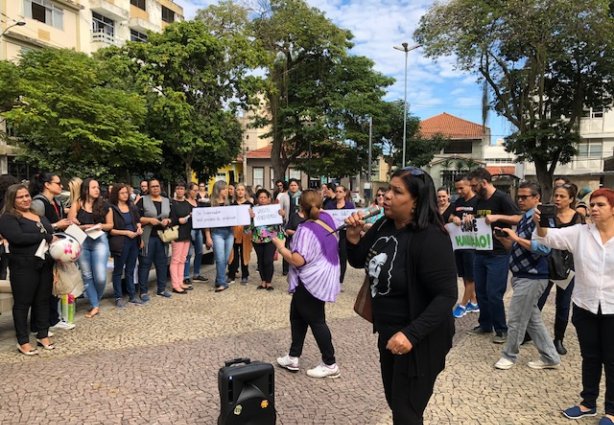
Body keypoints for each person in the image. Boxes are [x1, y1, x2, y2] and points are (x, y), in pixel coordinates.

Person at [345, 166, 458, 425]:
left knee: (407, 412)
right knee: (396, 403)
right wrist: (352, 239)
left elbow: (446, 295)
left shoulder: (431, 237)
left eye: (397, 192)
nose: (386, 197)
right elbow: (359, 258)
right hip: (389, 332)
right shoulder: (385, 224)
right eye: (387, 190)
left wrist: (411, 334)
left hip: (420, 339)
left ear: (416, 201)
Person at [534, 188, 614, 424]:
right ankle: (587, 403)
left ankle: (611, 410)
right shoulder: (580, 233)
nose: (594, 209)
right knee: (590, 356)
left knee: (612, 359)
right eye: (592, 205)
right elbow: (548, 238)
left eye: (600, 205)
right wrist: (540, 224)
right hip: (585, 305)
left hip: (612, 308)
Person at [492, 181, 560, 370]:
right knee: (532, 319)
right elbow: (517, 246)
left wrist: (515, 238)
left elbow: (544, 248)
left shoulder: (543, 218)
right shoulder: (525, 218)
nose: (520, 200)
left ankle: (509, 355)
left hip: (534, 276)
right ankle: (550, 356)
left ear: (537, 197)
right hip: (522, 274)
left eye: (524, 197)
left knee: (516, 318)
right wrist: (507, 240)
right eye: (518, 196)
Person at [273, 190, 341, 378]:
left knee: (316, 320)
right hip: (323, 274)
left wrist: (280, 246)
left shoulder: (305, 229)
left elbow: (297, 260)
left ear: (300, 207)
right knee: (296, 315)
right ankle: (293, 356)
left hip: (311, 279)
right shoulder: (327, 218)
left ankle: (330, 362)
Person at [0, 183, 56, 355]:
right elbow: (17, 237)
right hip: (23, 265)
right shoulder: (8, 217)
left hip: (44, 263)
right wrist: (44, 236)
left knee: (43, 300)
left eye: (26, 195)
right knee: (23, 303)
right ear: (12, 199)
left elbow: (50, 231)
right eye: (20, 197)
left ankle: (42, 335)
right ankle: (22, 341)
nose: (25, 199)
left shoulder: (37, 213)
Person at [468, 168, 521, 344]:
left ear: (484, 182)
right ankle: (485, 324)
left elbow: (519, 218)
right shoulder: (478, 201)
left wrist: (497, 217)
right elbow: (475, 219)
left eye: (475, 185)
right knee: (481, 291)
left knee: (494, 293)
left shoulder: (502, 198)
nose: (473, 189)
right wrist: (469, 218)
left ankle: (501, 329)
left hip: (498, 253)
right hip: (480, 251)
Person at [535, 183, 584, 355]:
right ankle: (531, 333)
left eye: (562, 196)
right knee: (538, 300)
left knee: (563, 304)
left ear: (571, 199)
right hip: (547, 263)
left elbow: (579, 243)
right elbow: (541, 235)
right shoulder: (548, 213)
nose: (557, 199)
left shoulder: (577, 217)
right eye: (556, 195)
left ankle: (558, 339)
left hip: (567, 266)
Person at [29, 172, 75, 331]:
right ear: (47, 185)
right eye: (57, 183)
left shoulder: (55, 202)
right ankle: (38, 325)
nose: (61, 186)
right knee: (43, 288)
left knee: (53, 285)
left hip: (55, 248)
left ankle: (52, 320)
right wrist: (57, 225)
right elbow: (35, 227)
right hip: (43, 250)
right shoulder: (38, 203)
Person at [68, 178, 113, 318]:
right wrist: (82, 226)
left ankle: (95, 300)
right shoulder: (77, 204)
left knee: (100, 276)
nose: (97, 190)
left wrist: (100, 226)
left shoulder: (104, 205)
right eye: (94, 187)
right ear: (86, 189)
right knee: (87, 275)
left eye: (98, 187)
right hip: (82, 241)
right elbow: (69, 223)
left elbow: (110, 225)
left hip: (99, 240)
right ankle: (95, 305)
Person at [137, 178, 172, 301]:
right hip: (148, 237)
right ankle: (143, 291)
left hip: (163, 237)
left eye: (157, 186)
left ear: (160, 187)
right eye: (153, 186)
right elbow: (136, 217)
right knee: (145, 264)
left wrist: (168, 220)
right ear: (149, 188)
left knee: (162, 263)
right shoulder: (142, 200)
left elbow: (172, 217)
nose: (155, 188)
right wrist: (148, 220)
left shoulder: (167, 201)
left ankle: (161, 289)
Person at [449, 175, 479, 318]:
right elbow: (451, 215)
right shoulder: (458, 201)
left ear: (470, 185)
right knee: (464, 276)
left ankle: (462, 305)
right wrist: (453, 218)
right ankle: (473, 302)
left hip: (473, 245)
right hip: (459, 244)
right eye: (457, 188)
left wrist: (474, 216)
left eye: (461, 188)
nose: (459, 191)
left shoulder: (478, 201)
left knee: (471, 276)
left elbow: (485, 217)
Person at [108, 183, 143, 307]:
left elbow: (138, 221)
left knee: (130, 269)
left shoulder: (132, 207)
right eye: (122, 193)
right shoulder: (112, 208)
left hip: (134, 241)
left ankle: (132, 295)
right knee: (118, 270)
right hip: (121, 242)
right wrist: (126, 233)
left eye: (126, 192)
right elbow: (111, 230)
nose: (125, 195)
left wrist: (139, 229)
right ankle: (118, 296)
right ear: (116, 194)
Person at [249, 189, 284, 290]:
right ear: (257, 199)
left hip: (271, 238)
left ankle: (269, 281)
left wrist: (282, 216)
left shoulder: (275, 209)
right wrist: (250, 218)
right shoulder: (254, 210)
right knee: (260, 261)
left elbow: (280, 225)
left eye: (265, 197)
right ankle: (263, 281)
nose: (263, 199)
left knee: (268, 260)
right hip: (257, 239)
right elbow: (248, 228)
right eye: (261, 197)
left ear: (269, 199)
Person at [205, 180, 234, 292]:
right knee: (220, 259)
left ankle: (219, 279)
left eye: (227, 189)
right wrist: (208, 236)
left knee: (225, 259)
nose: (226, 191)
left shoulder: (229, 203)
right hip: (217, 233)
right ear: (218, 190)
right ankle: (222, 283)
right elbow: (206, 222)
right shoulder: (211, 204)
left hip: (229, 232)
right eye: (224, 189)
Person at [325, 184, 355, 285]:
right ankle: (330, 277)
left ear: (345, 193)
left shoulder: (350, 206)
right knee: (331, 255)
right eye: (336, 191)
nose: (338, 193)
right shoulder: (330, 205)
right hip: (332, 233)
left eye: (340, 192)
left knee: (343, 256)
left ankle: (340, 280)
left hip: (344, 233)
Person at [169, 182, 193, 294]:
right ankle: (175, 284)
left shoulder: (187, 203)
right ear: (175, 190)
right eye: (178, 188)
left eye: (182, 188)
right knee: (175, 260)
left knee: (183, 259)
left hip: (186, 234)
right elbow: (169, 219)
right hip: (176, 234)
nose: (179, 190)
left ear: (185, 190)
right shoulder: (171, 203)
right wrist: (177, 220)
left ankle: (180, 281)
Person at [228, 183, 252, 285]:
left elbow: (253, 219)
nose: (240, 192)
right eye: (238, 190)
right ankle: (231, 274)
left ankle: (245, 275)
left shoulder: (249, 204)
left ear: (245, 191)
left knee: (244, 253)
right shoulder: (231, 204)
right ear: (235, 191)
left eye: (242, 190)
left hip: (245, 233)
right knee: (232, 254)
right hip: (233, 232)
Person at [185, 183, 207, 283]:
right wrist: (189, 215)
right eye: (194, 190)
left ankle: (196, 274)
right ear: (189, 191)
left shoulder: (198, 202)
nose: (196, 192)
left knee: (199, 252)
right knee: (188, 254)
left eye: (197, 190)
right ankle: (185, 276)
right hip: (189, 229)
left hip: (198, 229)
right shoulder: (185, 203)